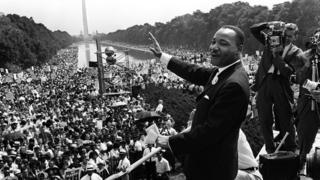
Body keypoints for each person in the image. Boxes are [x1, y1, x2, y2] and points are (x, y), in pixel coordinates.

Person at [150, 25, 250, 180]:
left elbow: (210, 132)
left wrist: (170, 141)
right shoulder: (223, 71)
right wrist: (162, 56)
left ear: (239, 48)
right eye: (213, 42)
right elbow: (193, 71)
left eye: (223, 43)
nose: (214, 47)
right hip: (206, 164)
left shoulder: (234, 84)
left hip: (213, 170)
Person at [250, 21, 304, 153]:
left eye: (290, 36)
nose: (287, 38)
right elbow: (254, 30)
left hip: (281, 83)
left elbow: (287, 71)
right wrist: (268, 24)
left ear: (295, 37)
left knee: (286, 117)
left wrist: (276, 55)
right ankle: (270, 148)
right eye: (285, 35)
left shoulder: (297, 52)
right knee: (264, 117)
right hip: (264, 82)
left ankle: (291, 148)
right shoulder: (271, 41)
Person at [295, 28, 320, 169]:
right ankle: (300, 166)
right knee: (304, 140)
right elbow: (300, 79)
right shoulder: (304, 57)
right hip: (308, 103)